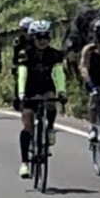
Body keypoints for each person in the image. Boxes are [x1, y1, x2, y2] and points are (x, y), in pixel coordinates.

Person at [16, 19, 65, 178]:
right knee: (27, 124)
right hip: (29, 88)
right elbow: (22, 74)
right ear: (33, 38)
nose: (42, 40)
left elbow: (58, 73)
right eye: (39, 37)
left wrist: (62, 91)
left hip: (46, 86)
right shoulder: (25, 53)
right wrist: (21, 93)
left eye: (46, 37)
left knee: (50, 101)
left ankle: (50, 127)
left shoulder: (54, 54)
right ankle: (24, 163)